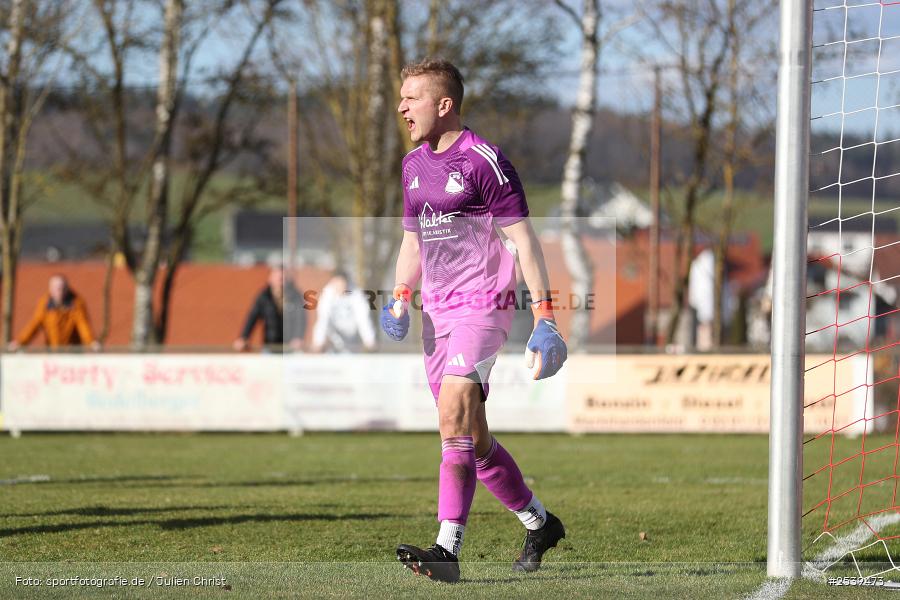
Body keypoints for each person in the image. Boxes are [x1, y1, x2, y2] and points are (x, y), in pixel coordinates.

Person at [381, 58, 568, 583]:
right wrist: (400, 294)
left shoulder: (485, 159)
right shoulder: (412, 165)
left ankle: (447, 547)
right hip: (436, 316)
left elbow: (524, 240)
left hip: (484, 306)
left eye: (411, 97)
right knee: (473, 438)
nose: (401, 107)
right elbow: (412, 240)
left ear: (444, 105)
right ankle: (539, 522)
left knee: (453, 415)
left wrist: (545, 316)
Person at [9, 274, 100, 350]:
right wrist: (20, 342)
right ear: (50, 289)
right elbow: (34, 325)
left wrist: (91, 342)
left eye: (62, 287)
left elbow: (83, 325)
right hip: (52, 353)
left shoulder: (76, 303)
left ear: (67, 288)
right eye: (56, 288)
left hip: (72, 353)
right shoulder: (44, 304)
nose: (59, 291)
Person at [233, 266, 306, 352]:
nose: (281, 282)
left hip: (289, 347)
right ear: (270, 279)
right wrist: (244, 337)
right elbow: (252, 317)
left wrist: (298, 337)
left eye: (283, 279)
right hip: (270, 345)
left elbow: (301, 318)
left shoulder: (295, 296)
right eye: (278, 279)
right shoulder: (264, 297)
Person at [310, 271, 376, 353]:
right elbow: (323, 319)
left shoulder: (356, 295)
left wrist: (369, 340)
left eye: (342, 284)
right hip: (335, 336)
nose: (339, 287)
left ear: (346, 283)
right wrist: (318, 341)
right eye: (337, 284)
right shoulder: (327, 295)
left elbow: (363, 319)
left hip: (353, 336)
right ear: (333, 282)